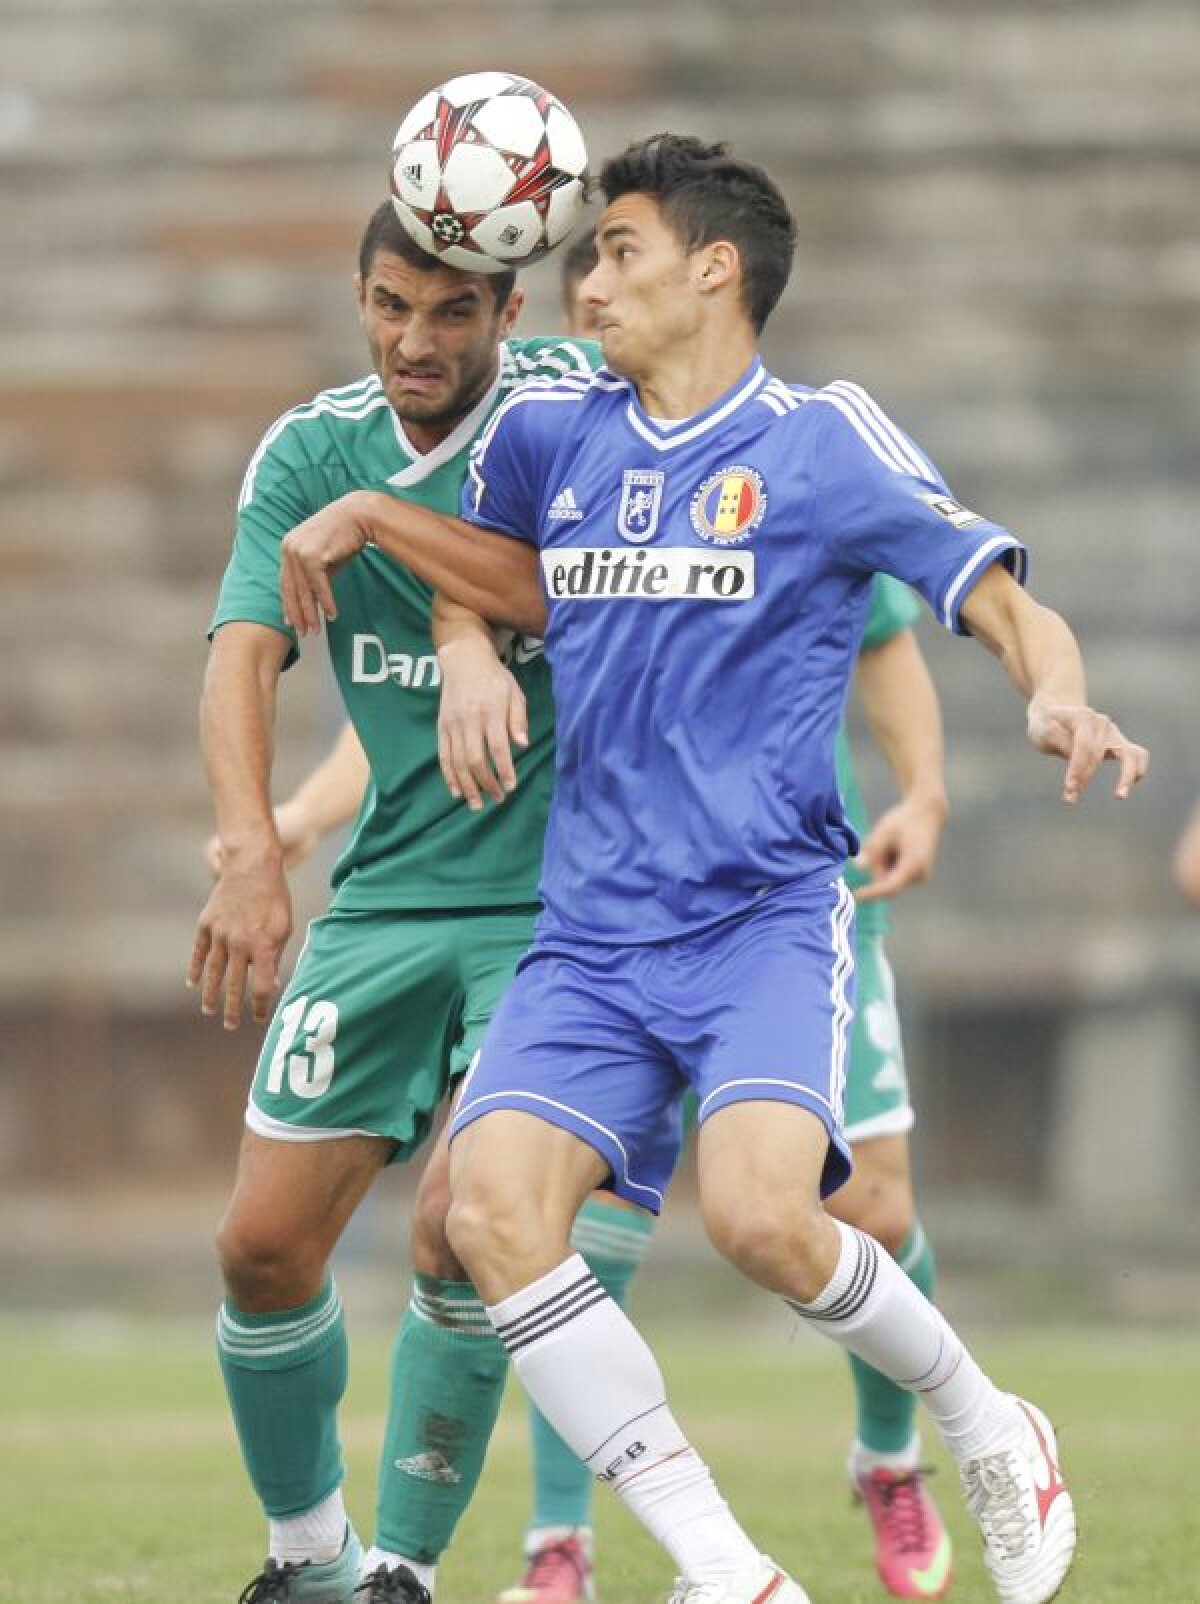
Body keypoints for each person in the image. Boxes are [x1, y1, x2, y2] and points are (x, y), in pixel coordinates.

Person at [275, 134, 1148, 1604]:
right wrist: (387, 534)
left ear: (713, 269)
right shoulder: (557, 437)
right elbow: (501, 585)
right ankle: (730, 1571)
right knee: (489, 1215)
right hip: (589, 932)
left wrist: (1053, 690)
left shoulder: (823, 443)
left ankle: (988, 1421)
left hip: (758, 918)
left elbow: (995, 600)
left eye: (614, 250)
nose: (586, 281)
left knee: (764, 1220)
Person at [187, 199, 599, 1604]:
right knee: (259, 1246)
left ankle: (404, 1575)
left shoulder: (570, 409)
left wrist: (446, 600)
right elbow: (244, 650)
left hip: (559, 904)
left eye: (449, 313)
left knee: (462, 1221)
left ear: (510, 315)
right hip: (385, 904)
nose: (412, 341)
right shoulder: (310, 448)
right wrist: (253, 846)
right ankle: (310, 1560)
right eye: (387, 307)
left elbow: (559, 580)